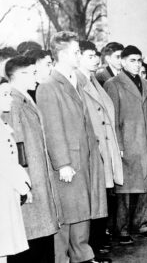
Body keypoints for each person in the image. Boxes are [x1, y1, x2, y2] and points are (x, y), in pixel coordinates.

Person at [36, 31, 108, 263]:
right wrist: (63, 163)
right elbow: (52, 128)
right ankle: (62, 259)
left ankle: (82, 255)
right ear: (62, 54)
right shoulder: (49, 85)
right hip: (68, 163)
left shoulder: (76, 79)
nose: (79, 55)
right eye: (76, 52)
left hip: (84, 158)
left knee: (82, 212)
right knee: (66, 215)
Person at [4, 57, 60, 263]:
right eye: (32, 73)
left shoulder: (25, 99)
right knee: (32, 240)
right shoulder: (14, 103)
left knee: (42, 237)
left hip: (37, 179)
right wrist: (26, 186)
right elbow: (15, 149)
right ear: (19, 76)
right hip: (29, 183)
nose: (37, 78)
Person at [104, 45, 147, 245]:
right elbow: (112, 118)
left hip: (145, 141)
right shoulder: (113, 84)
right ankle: (122, 229)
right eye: (132, 60)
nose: (137, 64)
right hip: (126, 142)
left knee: (145, 186)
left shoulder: (145, 83)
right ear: (123, 62)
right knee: (125, 190)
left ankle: (142, 224)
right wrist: (118, 145)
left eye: (139, 60)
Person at [76, 40, 124, 258]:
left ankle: (97, 241)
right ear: (77, 58)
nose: (95, 59)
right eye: (89, 56)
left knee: (103, 195)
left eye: (96, 55)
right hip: (94, 149)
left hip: (105, 147)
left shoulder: (93, 80)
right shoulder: (78, 82)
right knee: (96, 197)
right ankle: (92, 245)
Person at [0, 78, 32, 263]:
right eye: (4, 95)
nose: (10, 99)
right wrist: (24, 187)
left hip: (7, 192)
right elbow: (4, 163)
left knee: (3, 249)